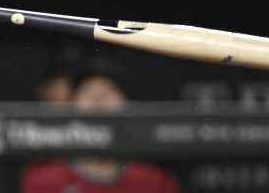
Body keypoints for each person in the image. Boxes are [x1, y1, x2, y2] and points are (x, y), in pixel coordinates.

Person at [20, 58, 180, 193]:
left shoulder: (154, 182)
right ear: (71, 106)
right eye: (88, 91)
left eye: (109, 90)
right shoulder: (43, 182)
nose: (98, 99)